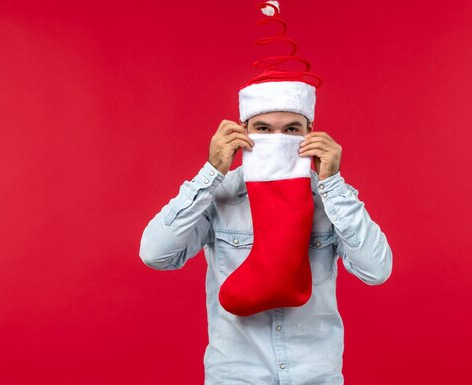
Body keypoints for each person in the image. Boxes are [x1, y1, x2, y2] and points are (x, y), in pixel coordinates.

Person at [139, 109, 393, 384]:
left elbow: (377, 270)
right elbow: (155, 254)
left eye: (291, 130)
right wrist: (210, 174)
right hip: (236, 376)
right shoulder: (221, 194)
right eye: (263, 129)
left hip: (316, 375)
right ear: (242, 130)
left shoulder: (328, 198)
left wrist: (332, 184)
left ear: (310, 131)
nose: (277, 140)